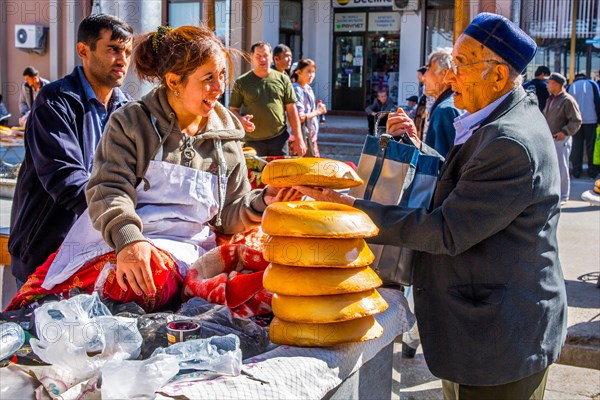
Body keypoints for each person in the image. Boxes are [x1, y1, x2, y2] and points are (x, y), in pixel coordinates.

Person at [296, 13, 567, 399]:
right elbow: (467, 184)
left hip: (500, 336)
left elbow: (446, 229)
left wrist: (351, 207)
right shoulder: (496, 117)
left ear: (498, 75)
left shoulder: (510, 141)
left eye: (461, 64)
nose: (449, 76)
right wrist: (417, 147)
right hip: (480, 328)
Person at [9, 14, 134, 286]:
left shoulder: (128, 110)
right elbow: (66, 179)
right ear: (83, 51)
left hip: (100, 255)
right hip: (47, 254)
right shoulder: (54, 102)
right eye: (112, 49)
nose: (122, 59)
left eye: (127, 51)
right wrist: (122, 223)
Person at [229, 42, 306, 157]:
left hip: (279, 140)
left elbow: (291, 110)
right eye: (258, 56)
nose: (262, 59)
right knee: (254, 174)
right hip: (251, 142)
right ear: (252, 58)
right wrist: (240, 119)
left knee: (281, 174)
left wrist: (299, 138)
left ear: (271, 58)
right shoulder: (242, 82)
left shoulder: (283, 79)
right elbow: (232, 110)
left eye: (265, 55)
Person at [544, 73, 582, 205]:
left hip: (561, 140)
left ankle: (564, 196)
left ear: (556, 84)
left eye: (549, 83)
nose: (547, 85)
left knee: (562, 168)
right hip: (550, 139)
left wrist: (564, 132)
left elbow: (576, 121)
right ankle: (554, 193)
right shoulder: (551, 99)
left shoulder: (568, 100)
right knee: (552, 168)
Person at [419, 47, 463, 157]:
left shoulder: (445, 110)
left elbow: (439, 165)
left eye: (428, 69)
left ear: (444, 74)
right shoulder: (454, 103)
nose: (424, 76)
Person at [289, 59, 327, 157]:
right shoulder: (296, 89)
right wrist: (318, 111)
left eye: (313, 72)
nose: (311, 75)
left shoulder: (308, 88)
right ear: (299, 72)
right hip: (300, 138)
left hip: (310, 137)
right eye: (308, 72)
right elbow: (300, 117)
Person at [567, 73, 600, 178]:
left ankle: (577, 171)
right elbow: (598, 102)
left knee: (576, 147)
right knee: (591, 147)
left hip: (575, 122)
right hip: (591, 120)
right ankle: (592, 171)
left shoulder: (571, 86)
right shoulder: (592, 84)